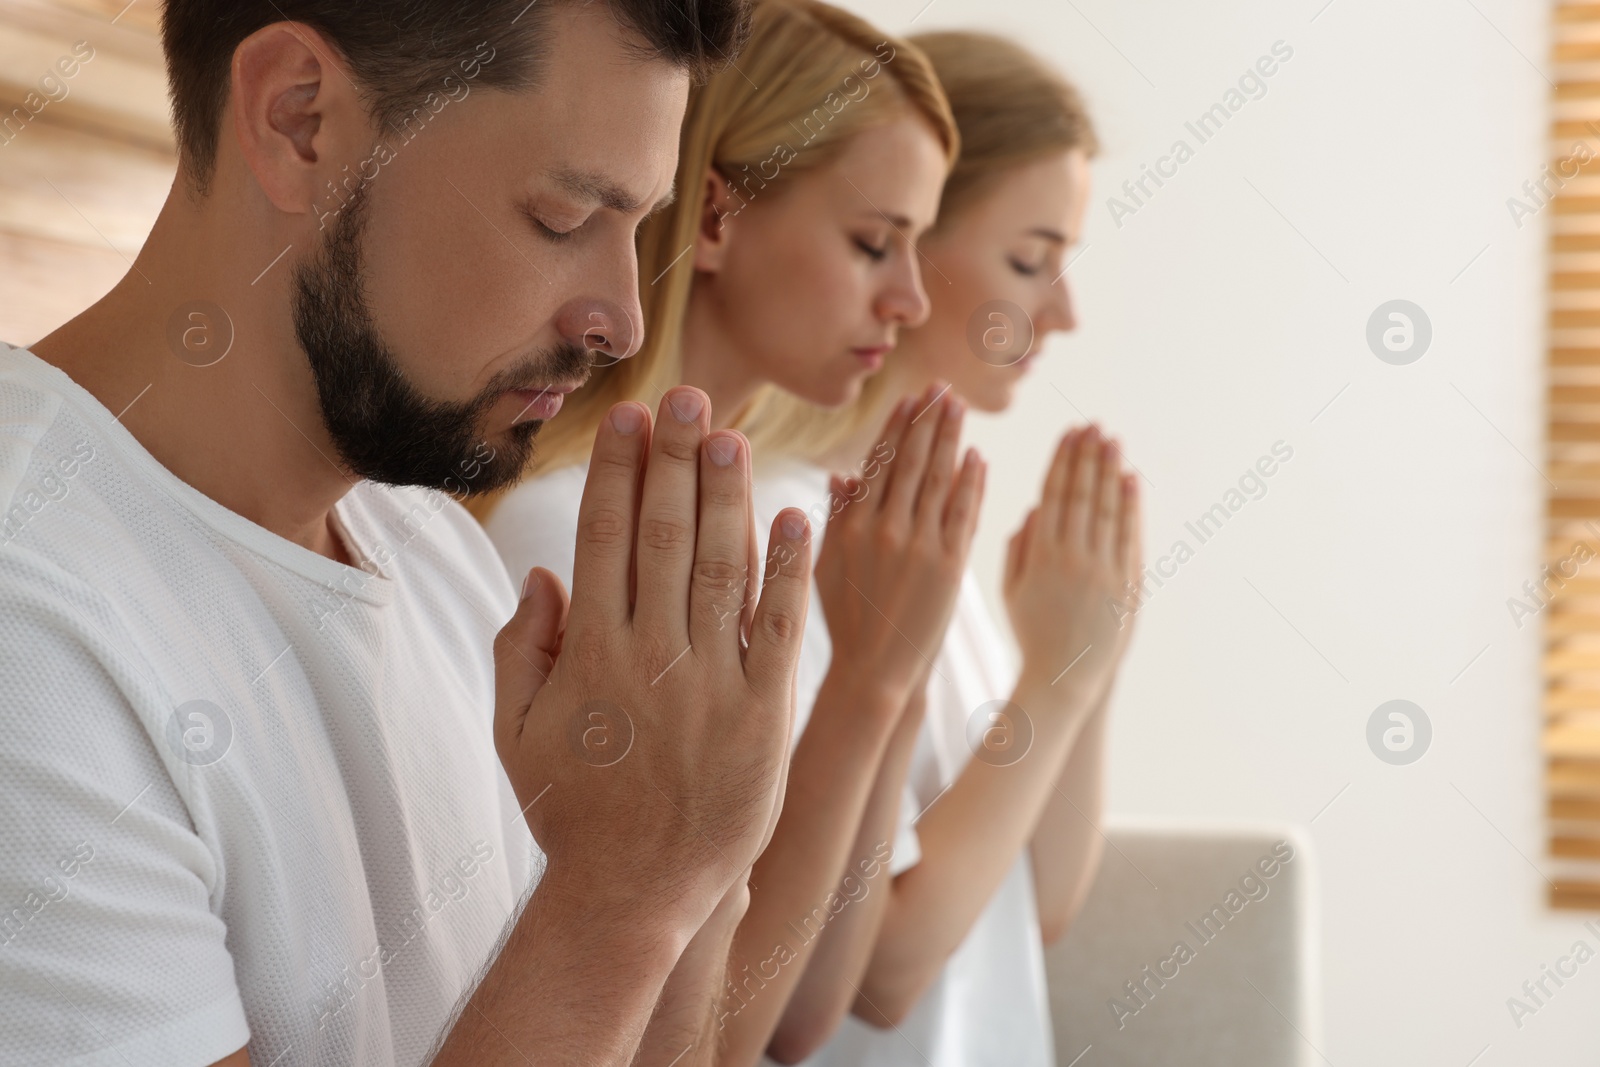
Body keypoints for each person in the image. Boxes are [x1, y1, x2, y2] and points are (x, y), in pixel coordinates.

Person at [0, 2, 817, 1065]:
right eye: (564, 217)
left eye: (639, 229)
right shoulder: (33, 620)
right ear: (300, 121)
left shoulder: (429, 547)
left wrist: (697, 852)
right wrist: (622, 894)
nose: (623, 320)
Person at [476, 3, 980, 1063]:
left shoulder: (774, 520)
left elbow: (815, 1002)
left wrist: (887, 677)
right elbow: (740, 1031)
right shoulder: (561, 529)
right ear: (715, 218)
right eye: (873, 241)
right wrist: (868, 687)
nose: (910, 297)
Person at [742, 31, 1142, 1067]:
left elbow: (1036, 900)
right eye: (1028, 259)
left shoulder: (920, 546)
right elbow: (881, 966)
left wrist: (1089, 659)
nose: (1062, 311)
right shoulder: (783, 532)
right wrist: (1050, 684)